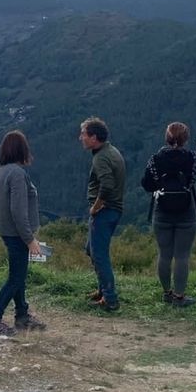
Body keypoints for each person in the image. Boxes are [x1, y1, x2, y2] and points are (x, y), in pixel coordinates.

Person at [141, 122, 196, 307]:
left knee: (164, 254)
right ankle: (179, 297)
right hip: (186, 212)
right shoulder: (191, 158)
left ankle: (166, 293)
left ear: (167, 138)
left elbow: (147, 184)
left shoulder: (155, 159)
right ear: (185, 139)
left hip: (162, 210)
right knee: (182, 256)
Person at [0, 130, 47, 336]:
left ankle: (22, 315)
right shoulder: (17, 174)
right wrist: (29, 239)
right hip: (17, 234)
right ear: (22, 150)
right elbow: (18, 211)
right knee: (15, 278)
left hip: (6, 229)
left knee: (18, 275)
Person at [80, 116, 125, 311]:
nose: (80, 138)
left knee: (99, 255)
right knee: (92, 249)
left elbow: (106, 186)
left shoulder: (101, 158)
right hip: (113, 210)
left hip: (105, 212)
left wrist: (96, 207)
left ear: (94, 137)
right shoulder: (110, 150)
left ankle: (110, 298)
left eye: (84, 134)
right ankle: (102, 290)